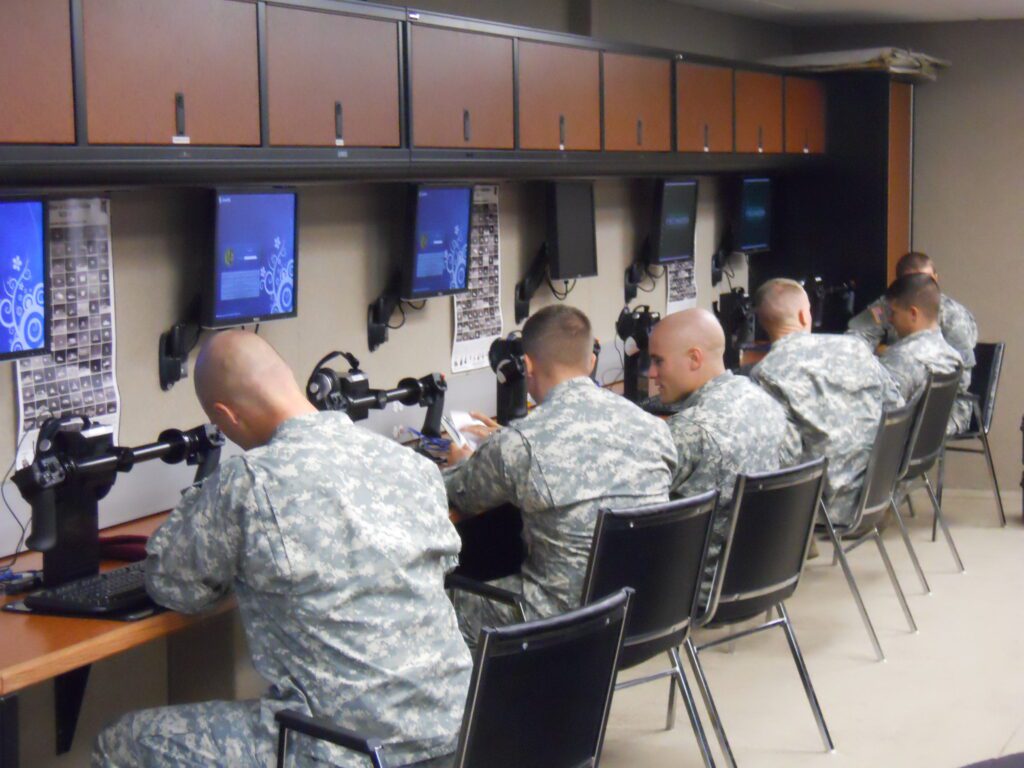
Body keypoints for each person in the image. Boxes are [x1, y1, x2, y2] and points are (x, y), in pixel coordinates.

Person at [93, 331, 472, 768]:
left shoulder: (249, 482)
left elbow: (175, 586)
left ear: (224, 415)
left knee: (120, 743)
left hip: (342, 751)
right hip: (455, 732)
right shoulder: (410, 465)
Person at [444, 305, 677, 643]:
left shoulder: (521, 443)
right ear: (592, 361)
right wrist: (505, 446)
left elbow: (456, 493)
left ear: (526, 365)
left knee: (435, 605)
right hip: (644, 609)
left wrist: (461, 461)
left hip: (563, 620)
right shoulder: (654, 427)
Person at [647, 308, 802, 587]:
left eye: (658, 361)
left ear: (695, 358)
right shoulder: (766, 402)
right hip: (767, 570)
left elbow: (631, 505)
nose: (652, 374)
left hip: (695, 587)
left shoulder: (690, 429)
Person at [751, 279, 903, 526]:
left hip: (822, 507)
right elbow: (897, 406)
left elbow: (784, 456)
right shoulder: (854, 347)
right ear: (803, 316)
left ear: (763, 323)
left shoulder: (766, 373)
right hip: (880, 490)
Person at [847, 251, 978, 385]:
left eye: (928, 281)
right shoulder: (886, 308)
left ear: (936, 279)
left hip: (939, 395)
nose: (919, 286)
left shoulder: (953, 315)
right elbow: (855, 339)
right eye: (911, 281)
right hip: (895, 377)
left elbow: (962, 376)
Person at [880, 273, 972, 434]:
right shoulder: (951, 356)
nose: (890, 320)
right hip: (927, 443)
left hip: (895, 447)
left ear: (913, 313)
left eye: (894, 312)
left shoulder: (902, 359)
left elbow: (878, 410)